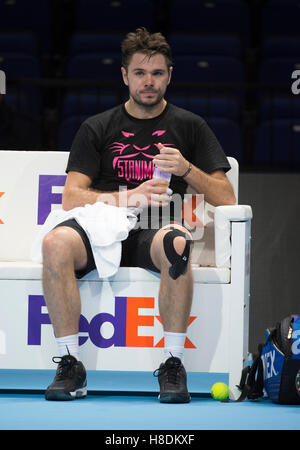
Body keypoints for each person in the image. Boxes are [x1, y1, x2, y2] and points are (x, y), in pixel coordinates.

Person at [42, 27, 236, 402]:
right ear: (124, 75)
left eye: (158, 73)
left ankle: (173, 365)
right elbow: (71, 197)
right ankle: (70, 364)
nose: (149, 82)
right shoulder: (97, 126)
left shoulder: (190, 125)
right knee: (54, 244)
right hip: (101, 226)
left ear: (170, 75)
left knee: (178, 245)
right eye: (141, 73)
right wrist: (129, 196)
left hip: (156, 228)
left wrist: (186, 169)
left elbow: (227, 198)